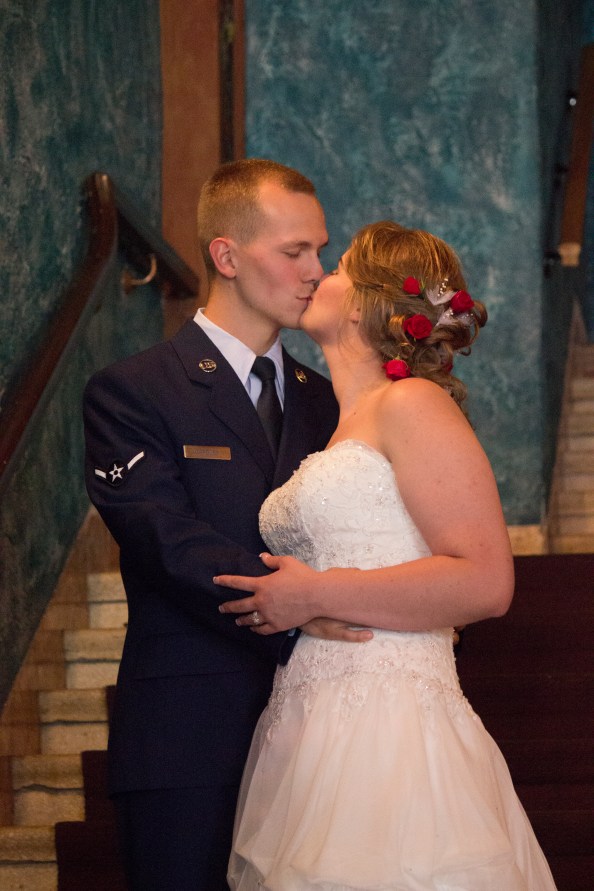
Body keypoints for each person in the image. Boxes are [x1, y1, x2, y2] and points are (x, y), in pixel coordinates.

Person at [216, 221, 558, 890]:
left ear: (365, 304)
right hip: (309, 718)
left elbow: (486, 581)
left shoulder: (413, 404)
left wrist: (315, 594)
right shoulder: (339, 422)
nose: (318, 276)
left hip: (389, 726)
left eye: (337, 266)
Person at [83, 158, 370, 891]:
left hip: (326, 728)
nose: (317, 271)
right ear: (227, 256)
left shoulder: (329, 401)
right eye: (294, 250)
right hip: (188, 730)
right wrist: (297, 606)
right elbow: (163, 537)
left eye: (320, 249)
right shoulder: (132, 391)